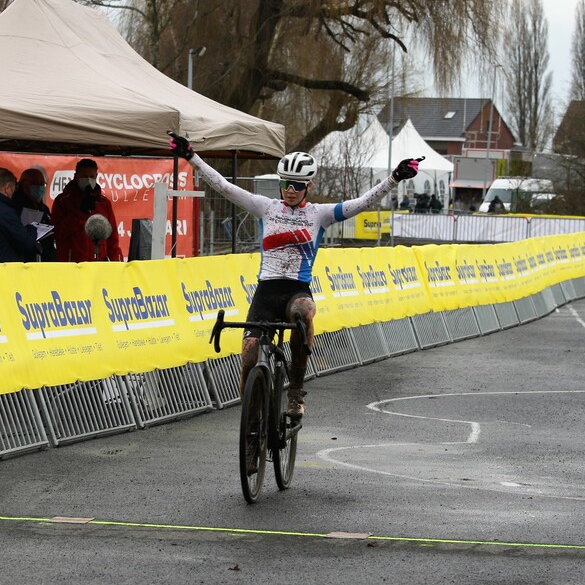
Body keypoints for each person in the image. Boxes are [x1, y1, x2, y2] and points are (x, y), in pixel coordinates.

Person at [168, 131, 420, 423]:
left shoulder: (320, 214)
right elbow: (223, 186)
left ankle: (296, 393)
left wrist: (394, 178)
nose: (289, 190)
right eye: (285, 184)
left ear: (309, 185)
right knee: (249, 355)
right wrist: (191, 157)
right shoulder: (266, 207)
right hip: (266, 292)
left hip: (296, 291)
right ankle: (251, 432)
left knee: (304, 314)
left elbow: (362, 203)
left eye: (297, 185)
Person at [51, 158, 122, 262]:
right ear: (76, 177)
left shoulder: (103, 203)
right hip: (72, 264)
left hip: (98, 264)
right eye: (84, 176)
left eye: (92, 177)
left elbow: (112, 238)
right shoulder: (63, 201)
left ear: (96, 177)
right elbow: (58, 233)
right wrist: (79, 213)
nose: (88, 180)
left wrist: (116, 263)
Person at [12, 166, 56, 262]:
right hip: (27, 260)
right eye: (35, 183)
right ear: (23, 184)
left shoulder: (43, 208)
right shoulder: (17, 205)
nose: (39, 187)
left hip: (45, 258)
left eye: (42, 184)